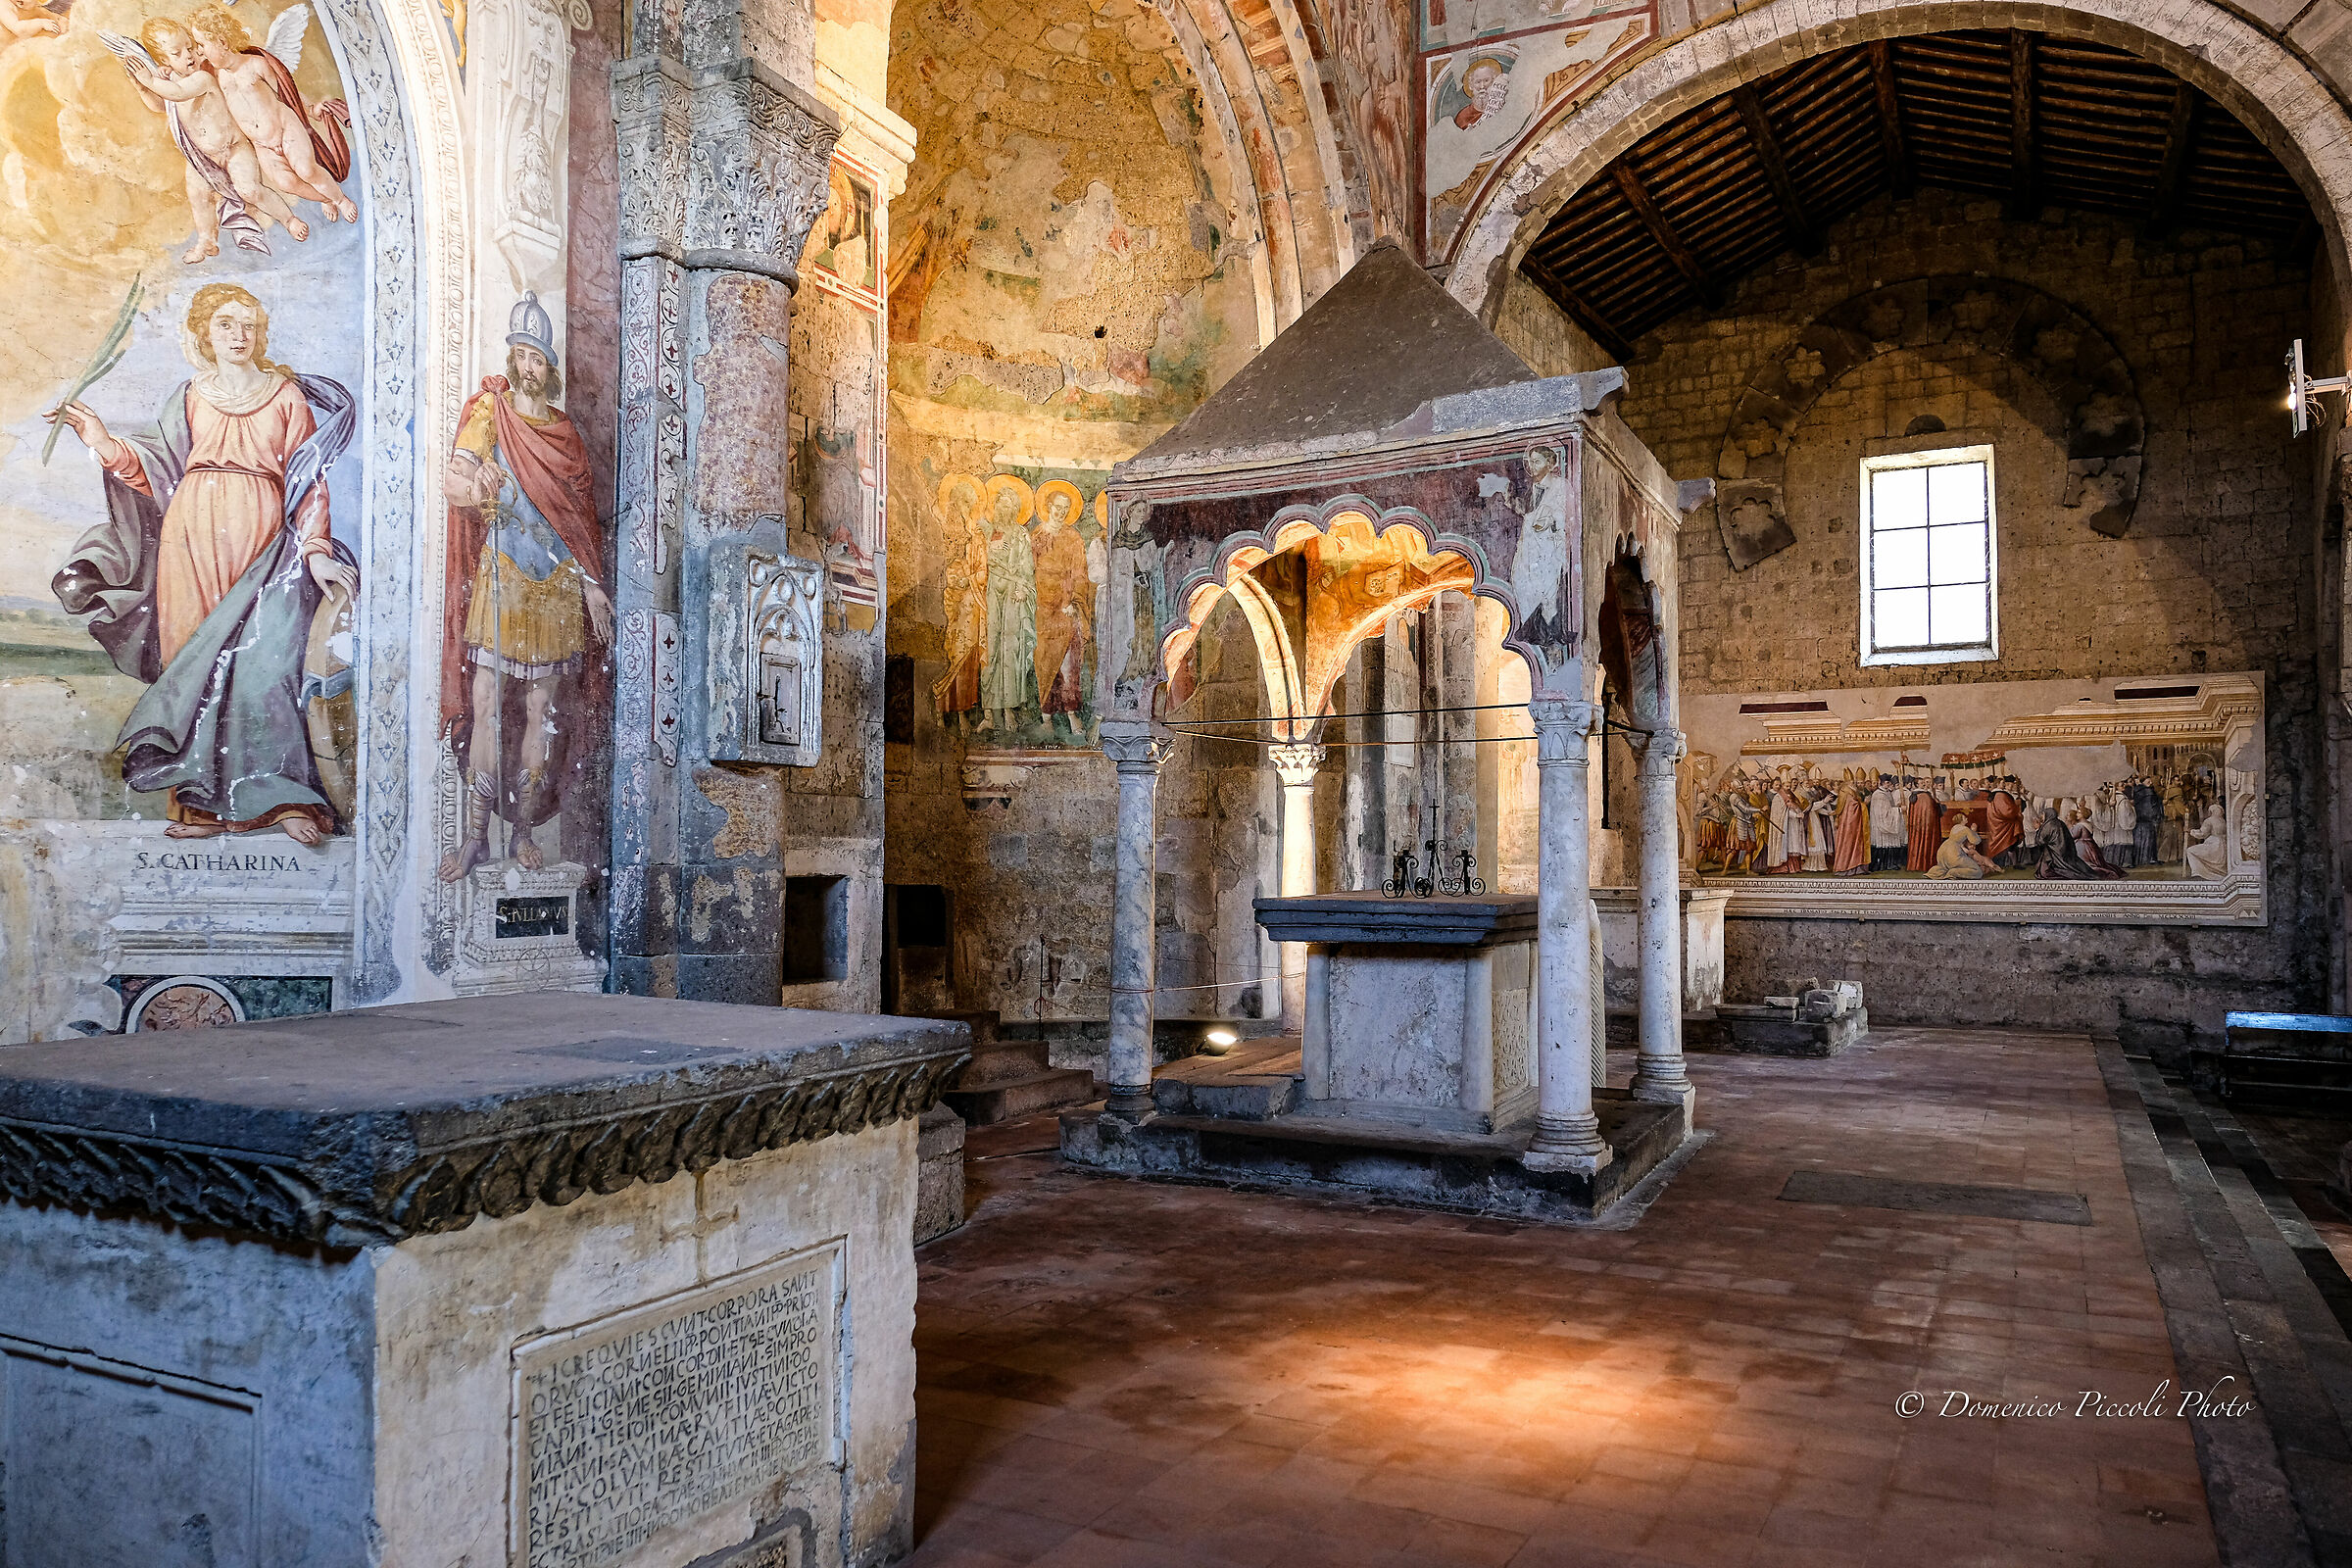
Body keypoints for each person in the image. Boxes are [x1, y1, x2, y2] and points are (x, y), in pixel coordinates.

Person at [48, 282, 356, 843]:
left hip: (263, 539)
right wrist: (100, 439)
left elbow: (310, 483)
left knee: (264, 667)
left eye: (249, 325)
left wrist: (314, 552)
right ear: (204, 335)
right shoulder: (189, 395)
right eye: (226, 325)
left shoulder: (286, 396)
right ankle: (200, 809)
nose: (239, 336)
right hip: (189, 539)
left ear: (261, 334)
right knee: (192, 667)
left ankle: (280, 798)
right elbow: (154, 471)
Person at [438, 292, 609, 880]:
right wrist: (477, 479)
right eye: (518, 352)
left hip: (558, 584)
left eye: (534, 354)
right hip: (503, 577)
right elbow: (453, 485)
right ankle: (474, 835)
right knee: (487, 706)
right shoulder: (491, 411)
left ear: (549, 362)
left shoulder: (564, 433)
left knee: (543, 712)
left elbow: (580, 523)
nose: (525, 363)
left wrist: (591, 583)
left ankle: (523, 832)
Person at [1030, 481, 1094, 740]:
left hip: (1067, 608)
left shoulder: (1073, 537)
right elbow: (1027, 572)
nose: (1061, 512)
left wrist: (1074, 602)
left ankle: (1071, 712)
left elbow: (1080, 573)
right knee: (1045, 662)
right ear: (1047, 507)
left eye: (1066, 509)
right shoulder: (1036, 537)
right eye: (1057, 507)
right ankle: (1046, 716)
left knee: (1070, 665)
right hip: (1043, 609)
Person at [979, 476, 1036, 731]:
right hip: (992, 592)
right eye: (1000, 505)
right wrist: (989, 545)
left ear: (1016, 511)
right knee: (992, 649)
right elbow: (978, 561)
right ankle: (991, 713)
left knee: (1011, 650)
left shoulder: (1022, 535)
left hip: (1013, 592)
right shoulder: (988, 531)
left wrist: (1022, 586)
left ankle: (1010, 708)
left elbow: (1026, 566)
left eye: (1010, 506)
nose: (1004, 510)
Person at [930, 476, 987, 721]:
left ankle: (963, 711)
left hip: (973, 600)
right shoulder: (948, 529)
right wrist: (959, 577)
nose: (967, 507)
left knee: (970, 654)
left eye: (970, 503)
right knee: (958, 651)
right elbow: (945, 563)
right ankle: (943, 700)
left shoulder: (976, 532)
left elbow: (983, 566)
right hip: (958, 601)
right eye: (963, 502)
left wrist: (971, 577)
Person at [1924, 817, 1998, 879]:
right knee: (1978, 872)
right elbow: (1976, 841)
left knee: (1944, 867)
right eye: (1964, 818)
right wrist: (1973, 831)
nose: (1966, 818)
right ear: (1962, 820)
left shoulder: (1954, 827)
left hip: (1943, 849)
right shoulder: (1966, 829)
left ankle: (1933, 872)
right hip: (1953, 851)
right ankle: (1952, 873)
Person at [1832, 776, 1871, 875]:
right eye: (1851, 782)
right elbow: (1852, 807)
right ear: (1847, 782)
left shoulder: (1850, 791)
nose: (1854, 783)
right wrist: (1864, 804)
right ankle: (1847, 867)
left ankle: (1857, 867)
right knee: (1848, 844)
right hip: (1849, 824)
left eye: (1854, 782)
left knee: (1856, 844)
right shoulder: (1846, 792)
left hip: (1854, 824)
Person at [1868, 773, 1904, 872]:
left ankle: (1890, 864)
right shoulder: (1878, 795)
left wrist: (1897, 806)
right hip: (1880, 824)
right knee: (1882, 845)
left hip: (1887, 822)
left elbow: (1889, 807)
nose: (1888, 784)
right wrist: (1899, 810)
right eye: (1887, 783)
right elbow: (1883, 813)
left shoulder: (1887, 792)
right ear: (1882, 783)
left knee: (1889, 844)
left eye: (1889, 783)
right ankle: (1881, 866)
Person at [1905, 775, 1941, 872]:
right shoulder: (1921, 795)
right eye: (1922, 783)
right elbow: (1930, 810)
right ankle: (1923, 864)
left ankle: (1917, 864)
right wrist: (1937, 805)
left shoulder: (1920, 795)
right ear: (1917, 785)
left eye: (1924, 783)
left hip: (1921, 825)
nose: (1924, 784)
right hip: (1925, 825)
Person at [1984, 777, 2024, 867]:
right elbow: (2007, 811)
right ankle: (2008, 864)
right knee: (2007, 844)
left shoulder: (1994, 794)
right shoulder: (2000, 795)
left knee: (2009, 845)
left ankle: (2013, 864)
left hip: (1997, 822)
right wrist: (2016, 808)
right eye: (2002, 783)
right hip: (2003, 824)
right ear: (1997, 784)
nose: (2004, 785)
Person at [2185, 802, 2230, 879]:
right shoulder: (2223, 821)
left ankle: (2198, 872)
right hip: (2223, 846)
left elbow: (2202, 834)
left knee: (2190, 851)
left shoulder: (2209, 820)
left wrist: (2190, 831)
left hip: (2214, 846)